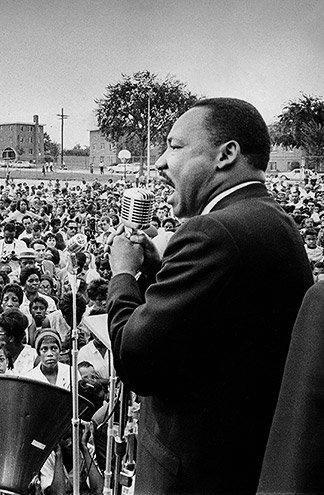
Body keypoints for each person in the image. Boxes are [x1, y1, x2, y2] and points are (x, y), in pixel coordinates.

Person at [106, 98, 313, 494]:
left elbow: (137, 359)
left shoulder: (212, 233)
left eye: (175, 146)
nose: (161, 162)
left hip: (195, 475)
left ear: (226, 155)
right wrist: (158, 267)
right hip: (240, 462)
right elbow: (205, 334)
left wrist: (123, 273)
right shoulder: (270, 218)